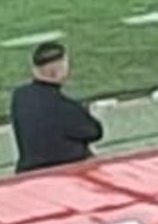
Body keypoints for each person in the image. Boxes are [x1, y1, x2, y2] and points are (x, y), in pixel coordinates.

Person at [10, 42, 103, 174]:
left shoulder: (20, 97)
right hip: (62, 173)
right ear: (57, 71)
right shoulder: (64, 107)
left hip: (28, 173)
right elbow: (95, 132)